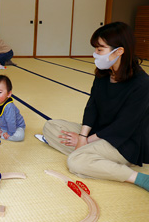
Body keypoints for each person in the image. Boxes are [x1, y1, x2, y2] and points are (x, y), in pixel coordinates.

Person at [35, 22, 149, 192]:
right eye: (95, 48)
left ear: (119, 51)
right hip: (99, 132)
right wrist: (82, 136)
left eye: (100, 49)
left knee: (75, 162)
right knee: (50, 126)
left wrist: (86, 140)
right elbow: (92, 106)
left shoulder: (141, 83)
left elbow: (123, 127)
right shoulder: (104, 73)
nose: (95, 54)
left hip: (124, 143)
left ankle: (139, 178)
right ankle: (91, 155)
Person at [0, 75, 25, 142]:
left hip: (15, 127)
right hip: (2, 125)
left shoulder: (9, 106)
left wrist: (9, 133)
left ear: (8, 94)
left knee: (20, 136)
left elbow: (11, 122)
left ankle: (1, 134)